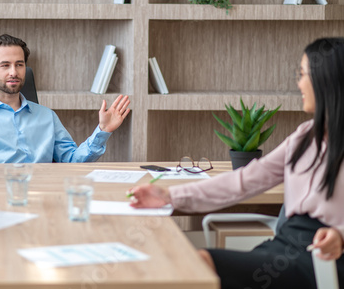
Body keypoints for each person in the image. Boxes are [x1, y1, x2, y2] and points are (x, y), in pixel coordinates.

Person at [129, 37, 344, 289]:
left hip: (328, 255)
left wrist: (340, 235)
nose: (298, 83)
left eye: (303, 73)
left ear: (327, 79)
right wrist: (168, 196)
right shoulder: (303, 137)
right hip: (284, 246)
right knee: (199, 263)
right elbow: (243, 181)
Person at [0, 34, 131, 163]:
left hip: (44, 197)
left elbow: (73, 160)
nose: (13, 72)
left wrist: (103, 130)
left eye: (19, 64)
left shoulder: (47, 116)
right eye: (5, 65)